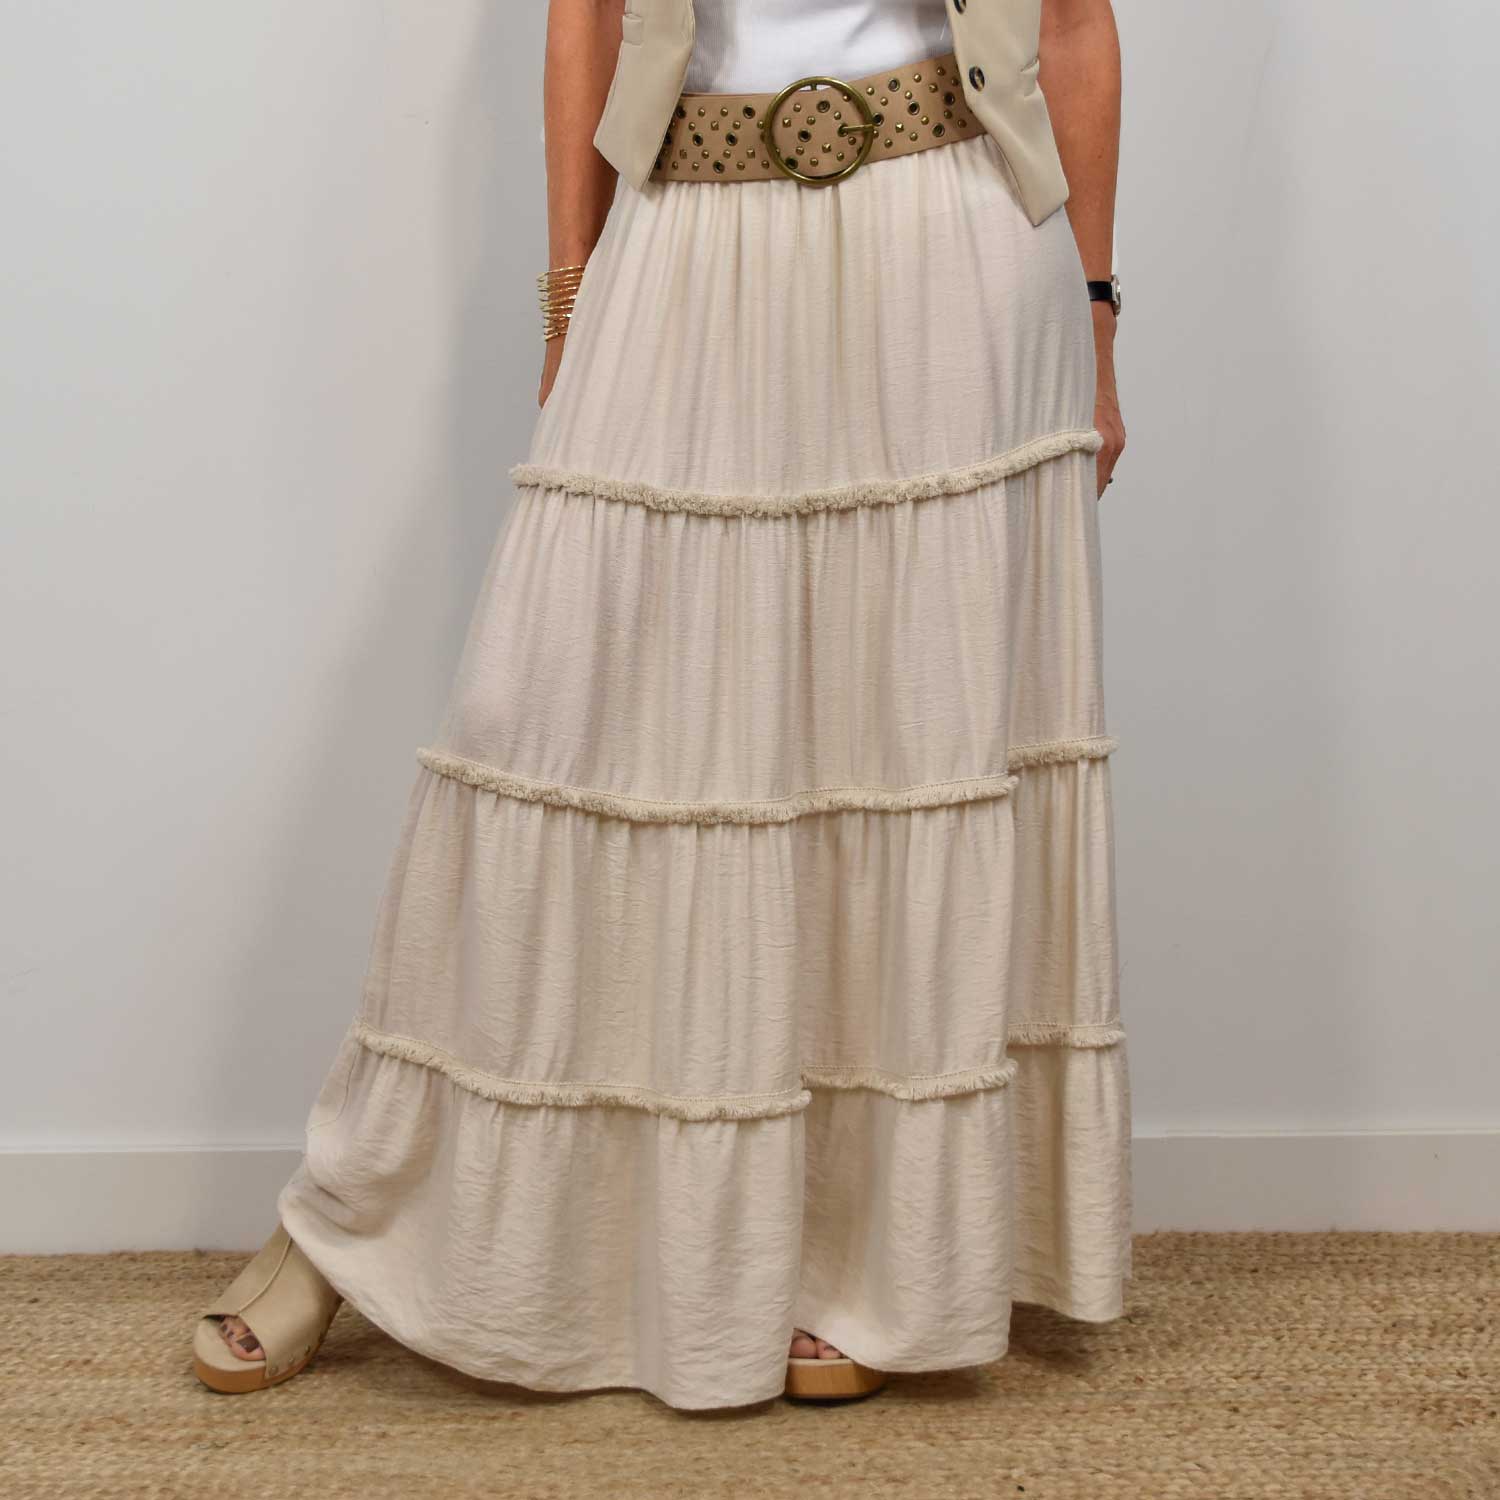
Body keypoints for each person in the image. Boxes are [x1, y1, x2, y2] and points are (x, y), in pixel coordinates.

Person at [193, 0, 1131, 1411]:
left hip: (953, 231)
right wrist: (570, 301)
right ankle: (352, 1209)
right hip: (689, 220)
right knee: (540, 716)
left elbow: (1071, 21)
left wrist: (1098, 316)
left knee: (905, 745)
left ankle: (874, 1264)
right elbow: (583, 18)